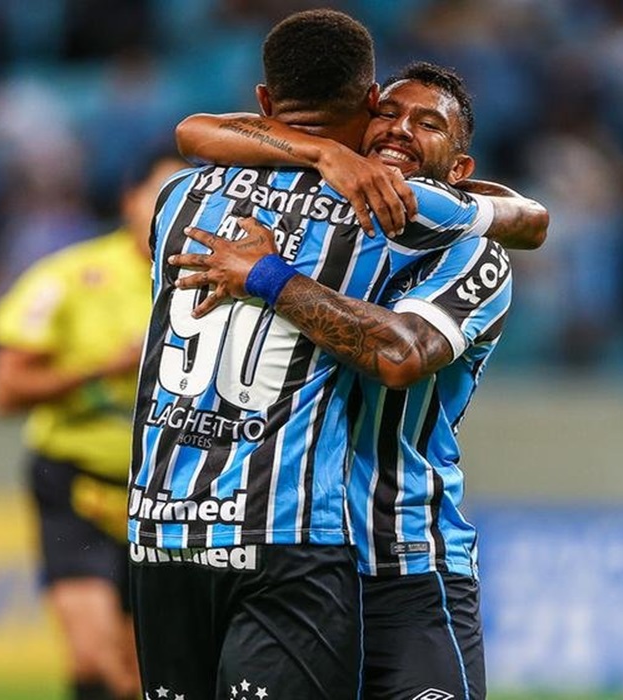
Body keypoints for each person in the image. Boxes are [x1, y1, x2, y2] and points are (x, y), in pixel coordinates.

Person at [128, 10, 546, 699]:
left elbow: (406, 348)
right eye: (389, 113)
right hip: (292, 540)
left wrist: (269, 276)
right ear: (363, 105)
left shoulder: (457, 242)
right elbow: (200, 131)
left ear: (462, 170)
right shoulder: (348, 213)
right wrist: (323, 154)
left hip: (401, 560)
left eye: (429, 124)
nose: (400, 131)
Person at [0, 153, 185, 700]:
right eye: (162, 192)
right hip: (77, 484)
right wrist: (106, 371)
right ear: (129, 200)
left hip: (169, 499)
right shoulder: (67, 278)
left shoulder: (215, 287)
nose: (177, 208)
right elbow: (4, 390)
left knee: (142, 678)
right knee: (95, 660)